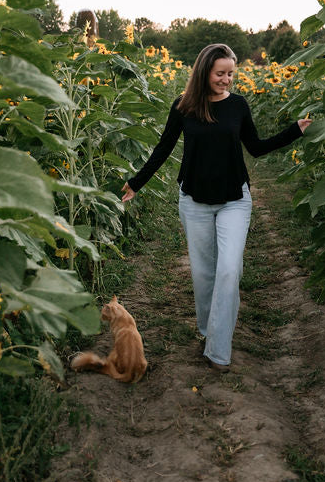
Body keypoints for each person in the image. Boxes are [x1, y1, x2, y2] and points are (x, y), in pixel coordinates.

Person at [121, 43, 311, 372]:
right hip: (194, 200)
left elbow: (256, 147)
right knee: (204, 274)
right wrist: (136, 183)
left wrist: (294, 131)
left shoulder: (238, 105)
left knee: (229, 270)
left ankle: (218, 352)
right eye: (220, 74)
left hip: (235, 200)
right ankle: (209, 331)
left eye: (231, 74)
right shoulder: (183, 107)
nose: (227, 80)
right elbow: (163, 148)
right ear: (204, 72)